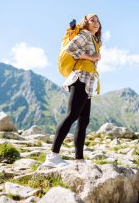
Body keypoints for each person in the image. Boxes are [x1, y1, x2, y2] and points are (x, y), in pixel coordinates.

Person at [42, 14, 102, 168]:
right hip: (80, 78)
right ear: (86, 23)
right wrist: (91, 57)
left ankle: (79, 159)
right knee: (72, 115)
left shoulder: (94, 40)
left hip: (88, 81)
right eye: (92, 21)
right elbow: (71, 48)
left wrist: (93, 57)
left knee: (84, 121)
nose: (96, 23)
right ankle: (52, 156)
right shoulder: (84, 35)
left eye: (98, 21)